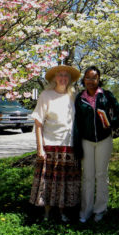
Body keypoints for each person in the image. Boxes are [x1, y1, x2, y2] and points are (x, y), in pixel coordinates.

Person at [29, 64, 81, 222]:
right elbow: (38, 123)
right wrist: (40, 148)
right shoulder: (46, 95)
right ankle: (47, 211)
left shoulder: (74, 96)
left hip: (69, 145)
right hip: (50, 144)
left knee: (64, 181)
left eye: (66, 75)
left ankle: (63, 211)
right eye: (60, 75)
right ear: (54, 78)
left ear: (70, 79)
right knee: (49, 180)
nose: (63, 78)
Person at [74, 66, 119, 223]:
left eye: (94, 78)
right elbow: (77, 124)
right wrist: (77, 144)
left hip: (104, 140)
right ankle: (85, 211)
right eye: (88, 77)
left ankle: (100, 210)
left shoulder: (106, 95)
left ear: (99, 79)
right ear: (84, 79)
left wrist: (112, 122)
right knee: (87, 176)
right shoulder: (79, 98)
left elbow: (118, 113)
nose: (91, 81)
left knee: (101, 175)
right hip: (86, 140)